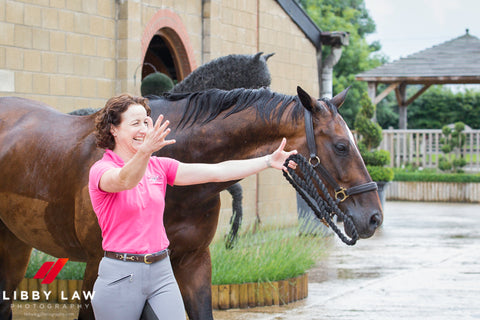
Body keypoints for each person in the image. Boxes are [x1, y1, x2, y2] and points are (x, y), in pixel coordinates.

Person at [88, 93, 297, 320]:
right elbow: (125, 180)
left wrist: (267, 161)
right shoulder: (101, 170)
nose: (143, 129)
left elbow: (216, 172)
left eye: (146, 122)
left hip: (161, 272)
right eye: (135, 123)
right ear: (114, 129)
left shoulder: (158, 166)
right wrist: (146, 151)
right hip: (120, 274)